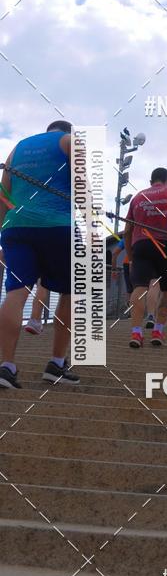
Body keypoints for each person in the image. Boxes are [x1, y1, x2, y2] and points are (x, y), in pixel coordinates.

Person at [0, 120, 80, 388]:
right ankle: (56, 363)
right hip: (58, 226)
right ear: (66, 130)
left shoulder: (17, 149)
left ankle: (7, 366)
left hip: (17, 226)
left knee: (15, 292)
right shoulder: (69, 142)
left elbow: (3, 193)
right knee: (69, 292)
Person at [124, 168, 167, 348]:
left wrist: (131, 257)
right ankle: (158, 331)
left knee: (139, 288)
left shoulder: (137, 197)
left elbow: (127, 230)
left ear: (151, 181)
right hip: (165, 246)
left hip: (141, 245)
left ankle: (136, 333)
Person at [111, 238, 133, 317]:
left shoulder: (126, 238)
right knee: (141, 287)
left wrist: (113, 269)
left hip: (127, 263)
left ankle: (131, 312)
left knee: (130, 289)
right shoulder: (145, 234)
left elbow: (114, 253)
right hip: (140, 262)